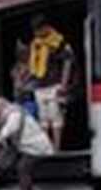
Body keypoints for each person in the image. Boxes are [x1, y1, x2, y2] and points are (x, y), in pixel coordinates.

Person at [0, 98, 53, 190]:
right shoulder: (12, 113)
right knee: (9, 161)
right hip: (28, 148)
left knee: (22, 167)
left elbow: (12, 128)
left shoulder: (14, 114)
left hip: (37, 149)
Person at [28, 14, 77, 150]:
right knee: (43, 118)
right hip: (39, 85)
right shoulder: (35, 44)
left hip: (55, 84)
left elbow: (68, 61)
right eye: (35, 31)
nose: (37, 33)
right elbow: (33, 64)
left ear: (46, 27)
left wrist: (64, 83)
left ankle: (56, 147)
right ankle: (46, 147)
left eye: (38, 29)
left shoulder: (58, 42)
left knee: (55, 116)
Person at [10, 42, 39, 121]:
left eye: (24, 52)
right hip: (18, 99)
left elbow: (34, 79)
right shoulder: (16, 67)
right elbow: (14, 77)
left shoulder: (34, 65)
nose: (22, 55)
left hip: (29, 99)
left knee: (30, 119)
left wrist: (24, 81)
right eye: (20, 53)